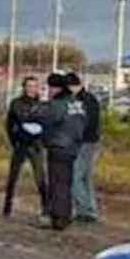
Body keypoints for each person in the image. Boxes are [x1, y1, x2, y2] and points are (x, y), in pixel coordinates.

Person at [40, 71, 86, 231]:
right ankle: (65, 215)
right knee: (66, 183)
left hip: (58, 146)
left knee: (57, 183)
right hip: (73, 147)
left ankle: (58, 218)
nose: (49, 91)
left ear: (56, 88)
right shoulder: (77, 104)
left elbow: (46, 120)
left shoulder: (57, 105)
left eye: (50, 88)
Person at [2, 76, 48, 217]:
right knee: (13, 177)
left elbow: (46, 125)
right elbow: (10, 124)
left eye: (34, 86)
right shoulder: (16, 103)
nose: (32, 89)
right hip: (20, 144)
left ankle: (46, 207)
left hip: (36, 146)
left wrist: (43, 141)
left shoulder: (42, 105)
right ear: (24, 87)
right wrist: (13, 140)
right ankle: (7, 206)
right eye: (29, 86)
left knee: (40, 177)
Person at [68, 72, 101, 223]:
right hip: (90, 141)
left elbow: (86, 122)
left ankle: (85, 210)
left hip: (85, 142)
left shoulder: (84, 101)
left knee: (75, 176)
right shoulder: (89, 99)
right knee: (86, 177)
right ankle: (90, 210)